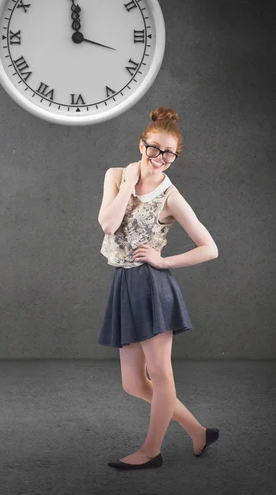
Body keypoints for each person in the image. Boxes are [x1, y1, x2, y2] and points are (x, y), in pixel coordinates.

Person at [97, 106, 220, 470]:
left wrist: (164, 261)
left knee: (161, 375)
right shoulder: (117, 175)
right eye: (154, 149)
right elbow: (107, 224)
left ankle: (151, 451)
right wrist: (128, 186)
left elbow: (209, 248)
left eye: (169, 154)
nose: (160, 159)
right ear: (142, 144)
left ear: (174, 157)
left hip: (152, 287)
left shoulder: (171, 197)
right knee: (134, 382)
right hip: (124, 284)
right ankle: (198, 431)